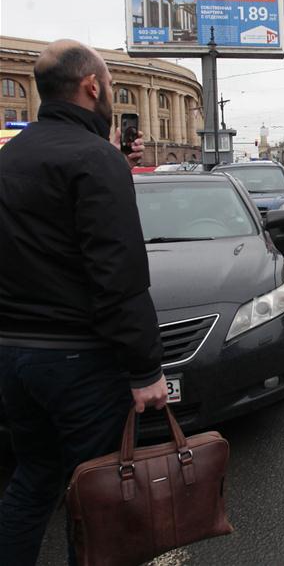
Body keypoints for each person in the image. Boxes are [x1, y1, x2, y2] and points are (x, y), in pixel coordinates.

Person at [0, 40, 169, 566]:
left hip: (12, 356)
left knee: (34, 478)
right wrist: (145, 370)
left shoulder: (10, 156)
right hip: (79, 361)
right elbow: (118, 275)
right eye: (110, 87)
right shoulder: (94, 160)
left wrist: (112, 160)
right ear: (92, 86)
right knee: (101, 498)